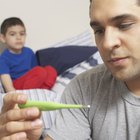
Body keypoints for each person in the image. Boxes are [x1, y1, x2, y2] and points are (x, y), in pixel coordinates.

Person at [1, 0, 140, 139]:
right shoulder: (83, 88)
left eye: (124, 25)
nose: (107, 43)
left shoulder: (28, 52)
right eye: (99, 31)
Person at [0, 17, 57, 92]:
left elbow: (35, 72)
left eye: (22, 34)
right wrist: (13, 95)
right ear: (3, 38)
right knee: (39, 71)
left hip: (32, 82)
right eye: (13, 34)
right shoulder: (3, 59)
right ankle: (28, 94)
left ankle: (43, 92)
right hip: (17, 86)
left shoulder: (29, 52)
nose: (18, 37)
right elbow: (7, 84)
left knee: (50, 69)